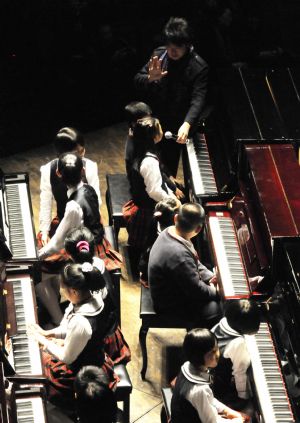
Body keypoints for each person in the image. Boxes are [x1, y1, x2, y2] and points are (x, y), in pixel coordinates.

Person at [28, 263, 118, 405]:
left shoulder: (81, 322)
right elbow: (70, 329)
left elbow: (67, 357)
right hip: (89, 355)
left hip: (82, 373)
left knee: (36, 369)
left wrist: (43, 341)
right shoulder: (92, 296)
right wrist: (48, 334)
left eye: (62, 286)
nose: (60, 289)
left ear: (74, 291)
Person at [134, 17, 209, 176]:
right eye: (169, 45)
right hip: (155, 120)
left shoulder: (198, 67)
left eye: (178, 47)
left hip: (177, 123)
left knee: (168, 166)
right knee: (147, 163)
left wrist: (187, 124)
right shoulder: (159, 55)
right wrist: (150, 78)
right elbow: (137, 80)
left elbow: (198, 99)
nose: (172, 51)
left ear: (188, 45)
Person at [38, 152, 122, 271]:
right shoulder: (88, 188)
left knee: (46, 261)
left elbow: (58, 242)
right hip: (95, 238)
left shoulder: (73, 206)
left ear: (58, 173)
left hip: (86, 249)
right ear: (82, 171)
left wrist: (38, 256)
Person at [65, 226, 131, 365]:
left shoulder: (81, 281)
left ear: (69, 255)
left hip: (98, 341)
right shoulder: (97, 264)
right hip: (106, 326)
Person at [148, 203, 221, 328]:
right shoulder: (179, 255)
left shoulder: (170, 231)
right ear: (198, 229)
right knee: (217, 309)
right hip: (167, 303)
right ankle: (199, 341)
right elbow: (197, 291)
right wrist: (217, 291)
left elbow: (194, 262)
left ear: (176, 218)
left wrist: (210, 277)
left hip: (170, 285)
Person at [38, 127, 101, 250]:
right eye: (78, 153)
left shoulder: (90, 167)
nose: (82, 155)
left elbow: (96, 203)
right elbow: (45, 203)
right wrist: (44, 231)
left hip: (86, 224)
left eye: (83, 151)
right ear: (62, 155)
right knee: (49, 257)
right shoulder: (47, 170)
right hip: (63, 220)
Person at [124, 116, 178, 254]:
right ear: (153, 135)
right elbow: (154, 191)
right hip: (148, 208)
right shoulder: (149, 161)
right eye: (159, 127)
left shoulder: (140, 148)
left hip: (145, 200)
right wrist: (173, 201)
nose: (162, 129)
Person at [171, 328, 250, 423]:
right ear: (198, 357)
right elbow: (211, 422)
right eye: (212, 352)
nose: (217, 354)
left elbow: (209, 399)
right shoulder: (200, 390)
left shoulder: (187, 366)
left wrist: (228, 412)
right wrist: (237, 421)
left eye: (216, 348)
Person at [211, 299, 260, 408]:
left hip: (211, 370)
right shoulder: (238, 343)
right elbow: (240, 372)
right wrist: (243, 396)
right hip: (218, 384)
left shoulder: (224, 322)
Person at [139, 197, 180, 285]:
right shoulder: (172, 234)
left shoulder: (154, 220)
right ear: (174, 218)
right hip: (156, 271)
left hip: (148, 259)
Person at [124, 101, 152, 176]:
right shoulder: (135, 143)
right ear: (135, 123)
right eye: (147, 120)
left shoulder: (142, 134)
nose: (151, 123)